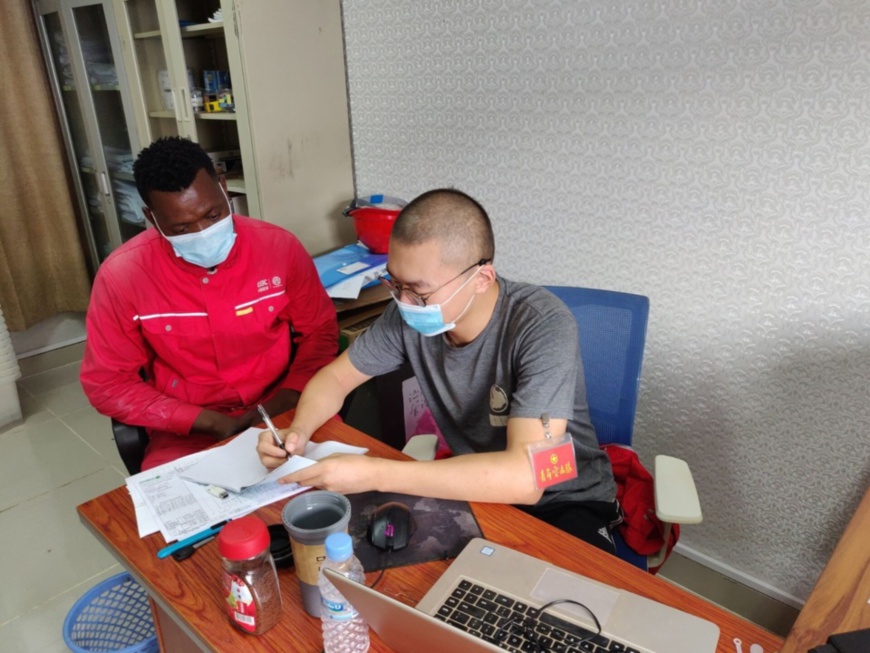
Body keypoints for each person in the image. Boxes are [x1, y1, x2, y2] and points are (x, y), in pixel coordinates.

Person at [258, 188, 620, 552]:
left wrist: (375, 473)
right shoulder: (405, 318)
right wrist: (298, 431)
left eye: (419, 291)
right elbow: (336, 378)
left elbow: (529, 479)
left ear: (481, 279)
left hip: (565, 499)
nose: (402, 302)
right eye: (394, 283)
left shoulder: (543, 327)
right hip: (473, 487)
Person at [80, 136, 338, 470]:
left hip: (284, 410)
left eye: (213, 214)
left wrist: (289, 397)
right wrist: (208, 422)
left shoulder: (279, 248)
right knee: (187, 517)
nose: (203, 232)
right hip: (187, 430)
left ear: (222, 185)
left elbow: (319, 334)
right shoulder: (122, 276)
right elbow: (107, 383)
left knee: (327, 498)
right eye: (182, 227)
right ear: (152, 217)